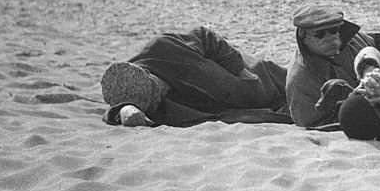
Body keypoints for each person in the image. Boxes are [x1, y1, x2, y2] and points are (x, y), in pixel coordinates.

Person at [100, 26, 290, 127]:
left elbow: (204, 35)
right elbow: (116, 110)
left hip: (252, 75)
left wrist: (239, 69)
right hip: (238, 103)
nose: (161, 93)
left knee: (297, 83)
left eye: (156, 87)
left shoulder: (161, 48)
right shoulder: (150, 103)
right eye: (153, 97)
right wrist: (125, 110)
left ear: (148, 73)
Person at [285, 4, 380, 127]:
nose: (330, 39)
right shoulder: (300, 79)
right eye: (320, 35)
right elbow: (310, 124)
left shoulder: (353, 39)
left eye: (333, 31)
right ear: (303, 36)